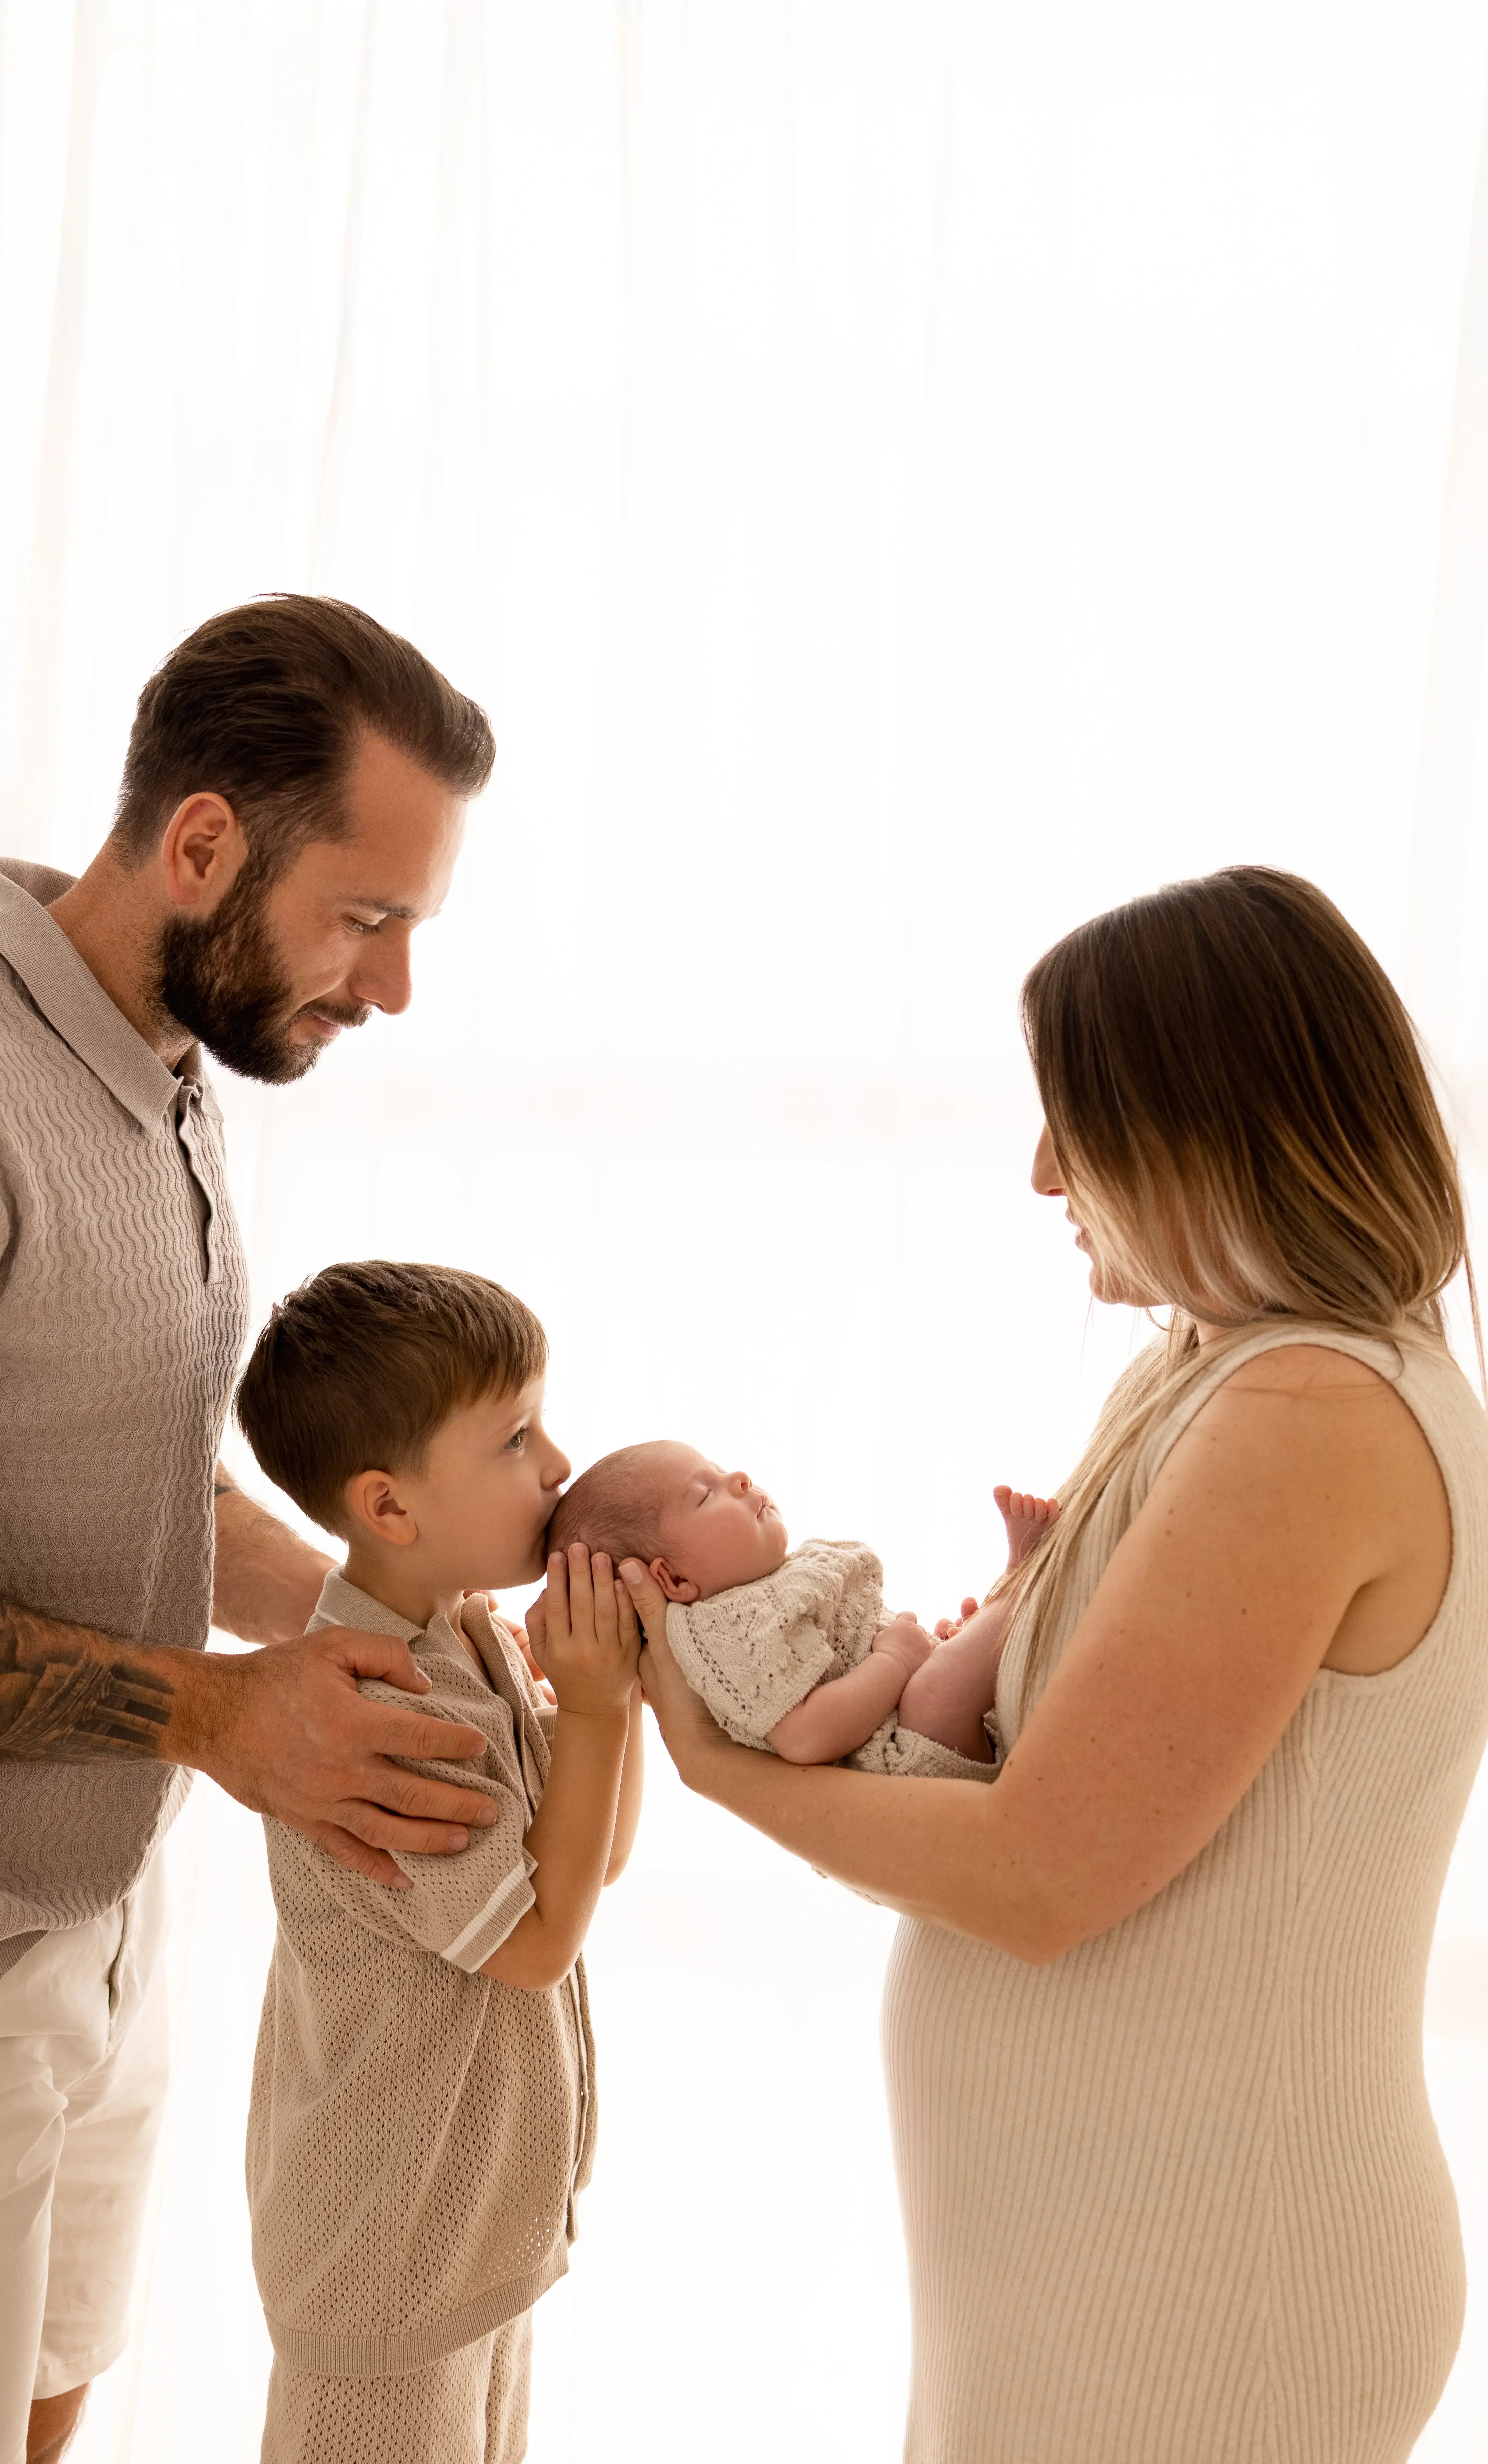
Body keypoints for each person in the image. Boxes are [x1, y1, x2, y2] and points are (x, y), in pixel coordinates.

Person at [0, 596, 511, 2464]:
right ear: (205, 845)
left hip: (82, 1921)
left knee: (40, 2416)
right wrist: (220, 1717)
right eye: (367, 916)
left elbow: (131, 1480)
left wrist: (386, 1613)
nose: (390, 986)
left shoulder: (158, 1078)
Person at [628, 866, 1488, 2464]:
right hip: (1125, 2267)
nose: (1038, 1171)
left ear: (1205, 1126)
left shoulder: (1309, 1414)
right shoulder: (1215, 1370)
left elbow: (1039, 1873)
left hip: (1207, 2283)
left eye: (1072, 1119)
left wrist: (717, 1763)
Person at [232, 1261, 643, 2464]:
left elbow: (593, 1864)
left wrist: (610, 1690)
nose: (560, 1465)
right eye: (516, 1437)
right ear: (389, 1506)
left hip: (472, 2234)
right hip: (386, 2250)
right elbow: (533, 1947)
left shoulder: (466, 1636)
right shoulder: (377, 1698)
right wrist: (604, 1717)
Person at [548, 1441, 1055, 1765]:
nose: (741, 1478)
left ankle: (998, 1620)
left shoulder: (773, 1587)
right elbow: (805, 1737)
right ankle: (1022, 1582)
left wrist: (931, 1652)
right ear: (673, 1579)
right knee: (935, 1693)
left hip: (914, 1713)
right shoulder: (720, 1632)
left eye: (721, 1470)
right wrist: (898, 1661)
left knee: (957, 1664)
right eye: (706, 1495)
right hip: (900, 1764)